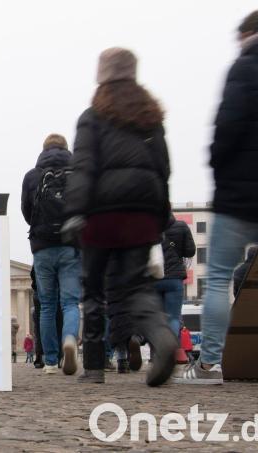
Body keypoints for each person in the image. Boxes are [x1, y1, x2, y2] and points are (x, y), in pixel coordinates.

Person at [176, 10, 258, 384]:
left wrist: (217, 165)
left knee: (218, 280)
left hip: (240, 196)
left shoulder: (244, 68)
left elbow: (227, 127)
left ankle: (209, 364)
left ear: (247, 34)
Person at [62, 47, 178, 386]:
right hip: (141, 213)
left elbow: (83, 166)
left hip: (101, 214)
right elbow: (163, 168)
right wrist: (160, 212)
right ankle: (161, 336)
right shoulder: (150, 117)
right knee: (136, 286)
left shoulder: (92, 116)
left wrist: (74, 211)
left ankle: (95, 368)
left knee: (93, 289)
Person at [21, 133, 81, 375]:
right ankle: (69, 339)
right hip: (70, 244)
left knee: (46, 305)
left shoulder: (32, 176)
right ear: (66, 149)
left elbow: (26, 211)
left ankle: (50, 361)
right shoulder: (78, 174)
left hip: (42, 245)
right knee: (70, 302)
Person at [156, 217, 196, 351]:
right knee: (173, 317)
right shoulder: (181, 226)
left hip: (154, 277)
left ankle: (156, 353)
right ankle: (171, 351)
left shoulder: (148, 226)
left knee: (156, 318)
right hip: (174, 278)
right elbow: (190, 251)